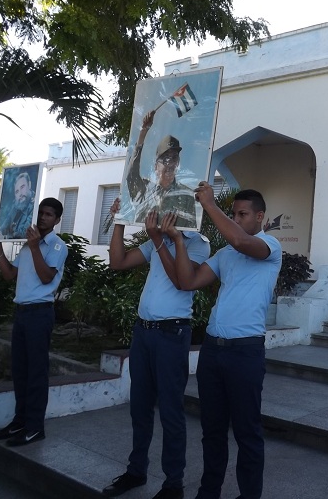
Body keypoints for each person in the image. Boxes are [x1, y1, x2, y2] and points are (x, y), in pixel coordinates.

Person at [166, 184, 282, 499]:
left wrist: (209, 206)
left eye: (243, 214)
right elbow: (187, 281)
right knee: (212, 431)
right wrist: (176, 240)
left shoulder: (269, 245)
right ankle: (209, 492)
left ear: (260, 216)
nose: (237, 219)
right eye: (234, 214)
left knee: (247, 432)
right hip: (213, 351)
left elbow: (240, 239)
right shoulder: (225, 254)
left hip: (245, 353)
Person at [102, 198, 210, 499]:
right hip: (144, 333)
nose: (166, 211)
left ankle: (173, 483)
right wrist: (120, 222)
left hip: (171, 334)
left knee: (171, 412)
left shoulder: (199, 244)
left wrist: (164, 240)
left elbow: (181, 281)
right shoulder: (157, 240)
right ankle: (136, 471)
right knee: (139, 407)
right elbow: (118, 261)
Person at [0, 198, 68, 446]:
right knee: (20, 371)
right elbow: (8, 275)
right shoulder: (26, 245)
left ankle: (35, 427)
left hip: (40, 313)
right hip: (22, 313)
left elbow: (46, 278)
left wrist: (34, 247)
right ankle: (20, 421)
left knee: (36, 372)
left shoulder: (56, 246)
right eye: (41, 213)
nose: (43, 217)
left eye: (49, 214)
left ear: (57, 220)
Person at [124, 110, 197, 228]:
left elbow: (190, 230)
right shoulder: (145, 189)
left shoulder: (187, 194)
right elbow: (131, 176)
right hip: (148, 243)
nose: (169, 164)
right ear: (155, 166)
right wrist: (144, 131)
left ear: (177, 163)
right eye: (165, 159)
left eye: (173, 158)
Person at [0, 172, 35, 239]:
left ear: (29, 185)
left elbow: (25, 233)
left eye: (22, 187)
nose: (20, 194)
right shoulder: (16, 205)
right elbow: (4, 226)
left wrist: (4, 237)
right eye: (17, 192)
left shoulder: (35, 206)